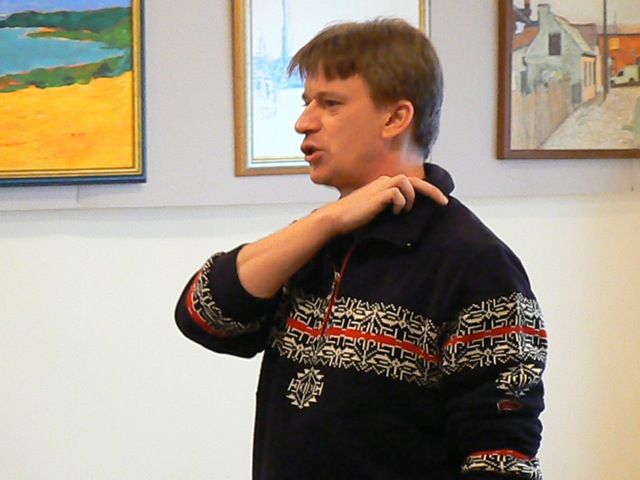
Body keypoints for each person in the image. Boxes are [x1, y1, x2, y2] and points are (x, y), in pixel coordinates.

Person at [175, 18, 546, 480]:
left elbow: (502, 457)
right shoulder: (318, 238)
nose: (303, 122)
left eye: (330, 103)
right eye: (307, 102)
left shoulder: (475, 262)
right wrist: (327, 220)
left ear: (395, 118)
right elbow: (203, 315)